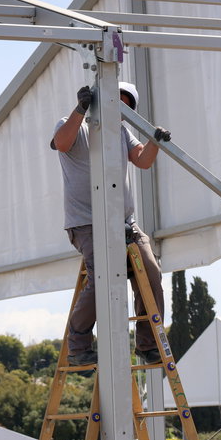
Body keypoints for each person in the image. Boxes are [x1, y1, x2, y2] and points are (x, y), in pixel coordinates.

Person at [51, 81, 170, 368]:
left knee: (151, 273)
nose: (116, 111)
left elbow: (142, 160)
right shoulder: (74, 125)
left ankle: (148, 344)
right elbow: (62, 143)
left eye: (124, 108)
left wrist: (155, 141)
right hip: (87, 223)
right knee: (102, 278)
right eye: (114, 102)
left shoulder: (121, 133)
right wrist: (80, 109)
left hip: (124, 223)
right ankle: (78, 346)